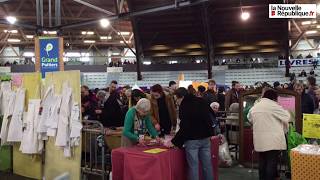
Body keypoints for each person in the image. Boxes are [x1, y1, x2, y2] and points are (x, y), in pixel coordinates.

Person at [168, 87, 214, 180]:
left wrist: (174, 141)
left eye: (176, 99)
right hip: (206, 137)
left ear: (181, 97)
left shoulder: (184, 106)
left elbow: (185, 127)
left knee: (193, 166)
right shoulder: (202, 101)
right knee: (207, 165)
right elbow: (211, 116)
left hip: (192, 140)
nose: (176, 102)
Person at [248, 89, 290, 180]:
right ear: (274, 98)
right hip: (273, 140)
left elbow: (249, 118)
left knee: (262, 162)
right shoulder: (274, 106)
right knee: (271, 163)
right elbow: (287, 117)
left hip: (260, 139)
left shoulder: (256, 106)